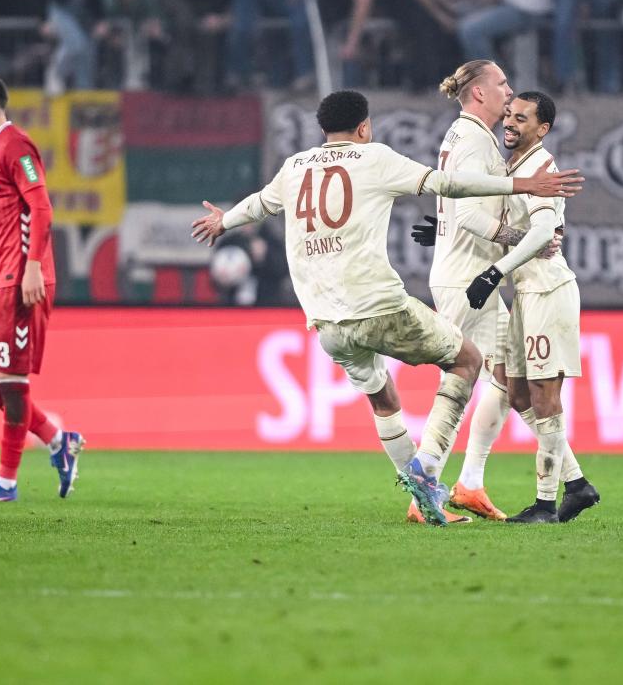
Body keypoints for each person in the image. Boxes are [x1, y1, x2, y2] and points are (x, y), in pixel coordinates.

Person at [190, 89, 584, 526]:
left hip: (325, 323)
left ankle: (425, 502)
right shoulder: (373, 157)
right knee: (468, 360)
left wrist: (222, 221)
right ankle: (425, 472)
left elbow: (261, 203)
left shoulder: (294, 167)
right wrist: (521, 184)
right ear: (364, 126)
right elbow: (446, 183)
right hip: (378, 306)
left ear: (324, 129)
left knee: (383, 400)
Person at [409, 58, 541, 524]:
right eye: (502, 83)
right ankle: (423, 492)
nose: (510, 91)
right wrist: (520, 239)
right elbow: (466, 212)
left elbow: (456, 201)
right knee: (460, 378)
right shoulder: (470, 139)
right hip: (467, 280)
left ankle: (470, 484)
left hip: (468, 272)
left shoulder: (468, 136)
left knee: (505, 375)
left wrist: (442, 229)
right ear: (480, 93)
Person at [464, 91, 600, 523]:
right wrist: (449, 231)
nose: (509, 123)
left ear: (542, 129)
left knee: (545, 396)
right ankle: (576, 484)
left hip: (548, 292)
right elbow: (512, 226)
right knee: (515, 388)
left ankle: (545, 504)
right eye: (508, 114)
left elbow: (544, 231)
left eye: (521, 118)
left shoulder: (542, 168)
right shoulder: (515, 167)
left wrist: (492, 273)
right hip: (526, 293)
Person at [0, 73, 84, 502]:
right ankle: (57, 438)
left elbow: (41, 207)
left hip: (19, 281)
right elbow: (11, 209)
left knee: (12, 381)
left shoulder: (16, 145)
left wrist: (31, 268)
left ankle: (6, 482)